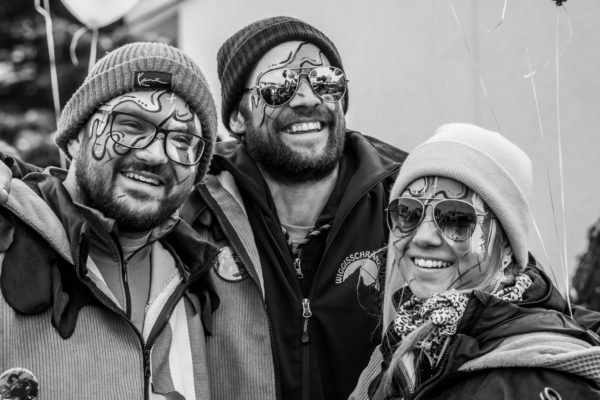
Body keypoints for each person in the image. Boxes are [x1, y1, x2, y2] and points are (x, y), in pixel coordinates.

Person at [179, 16, 407, 400]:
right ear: (236, 117)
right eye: (278, 85)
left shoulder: (404, 201)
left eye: (325, 81)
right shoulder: (194, 210)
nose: (307, 98)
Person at [0, 42, 219, 399]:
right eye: (131, 125)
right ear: (75, 137)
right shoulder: (6, 236)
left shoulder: (197, 281)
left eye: (182, 139)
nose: (155, 155)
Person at [350, 123, 600, 400]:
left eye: (456, 218)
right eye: (408, 212)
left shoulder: (535, 376)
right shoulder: (403, 339)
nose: (422, 237)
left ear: (507, 245)